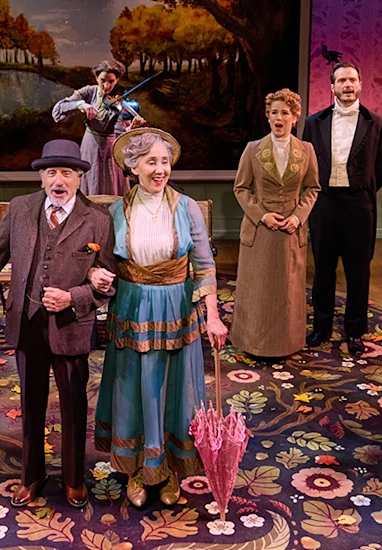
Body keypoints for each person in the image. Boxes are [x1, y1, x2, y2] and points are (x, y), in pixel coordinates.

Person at [0, 139, 116, 509]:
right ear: (42, 177)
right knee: (31, 402)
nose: (59, 180)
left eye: (67, 173)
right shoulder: (21, 210)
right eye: (51, 172)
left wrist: (73, 297)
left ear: (79, 178)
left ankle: (74, 479)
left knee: (74, 404)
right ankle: (32, 476)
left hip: (72, 324)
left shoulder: (98, 220)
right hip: (26, 321)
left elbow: (108, 284)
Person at [93, 128, 227, 508]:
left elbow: (203, 267)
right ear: (132, 166)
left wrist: (212, 317)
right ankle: (138, 468)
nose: (160, 169)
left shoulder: (186, 208)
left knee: (173, 390)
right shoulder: (116, 211)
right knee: (135, 389)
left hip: (176, 309)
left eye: (165, 161)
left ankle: (167, 469)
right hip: (132, 308)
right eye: (151, 161)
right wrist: (94, 275)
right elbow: (103, 263)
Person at [302, 63, 382, 356]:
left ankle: (355, 332)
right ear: (332, 87)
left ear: (361, 84)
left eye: (353, 79)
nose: (348, 85)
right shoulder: (314, 122)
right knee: (323, 269)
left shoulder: (376, 123)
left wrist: (362, 189)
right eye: (342, 80)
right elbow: (305, 163)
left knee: (358, 271)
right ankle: (322, 327)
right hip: (324, 203)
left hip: (358, 204)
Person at [229, 88, 321, 357]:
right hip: (260, 231)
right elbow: (241, 188)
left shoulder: (306, 150)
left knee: (288, 292)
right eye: (273, 113)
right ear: (267, 117)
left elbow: (313, 188)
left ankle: (287, 343)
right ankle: (252, 342)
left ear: (295, 117)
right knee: (257, 290)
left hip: (290, 231)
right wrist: (262, 215)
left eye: (285, 113)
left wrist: (297, 217)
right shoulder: (253, 149)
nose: (278, 118)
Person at [52, 59, 145, 196]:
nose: (106, 86)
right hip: (91, 145)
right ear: (96, 78)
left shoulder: (119, 102)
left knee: (111, 185)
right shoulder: (88, 92)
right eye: (103, 80)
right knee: (91, 181)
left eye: (111, 81)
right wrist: (80, 105)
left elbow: (120, 133)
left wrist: (131, 129)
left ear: (117, 80)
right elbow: (58, 110)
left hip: (111, 148)